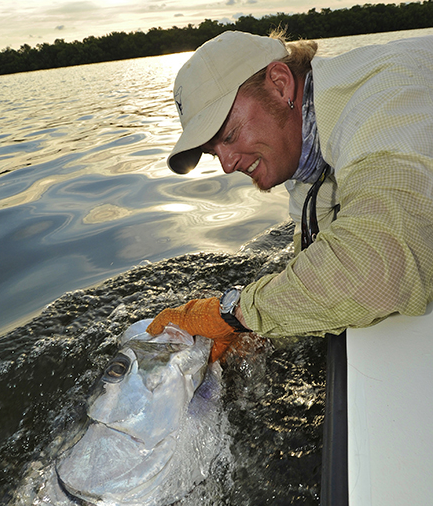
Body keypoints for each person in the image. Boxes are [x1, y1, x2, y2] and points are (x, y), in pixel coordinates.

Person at [147, 29, 433, 361]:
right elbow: (316, 274)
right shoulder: (305, 162)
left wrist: (231, 313)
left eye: (228, 135)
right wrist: (250, 336)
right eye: (213, 153)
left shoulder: (385, 98)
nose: (226, 165)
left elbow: (382, 265)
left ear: (280, 83)